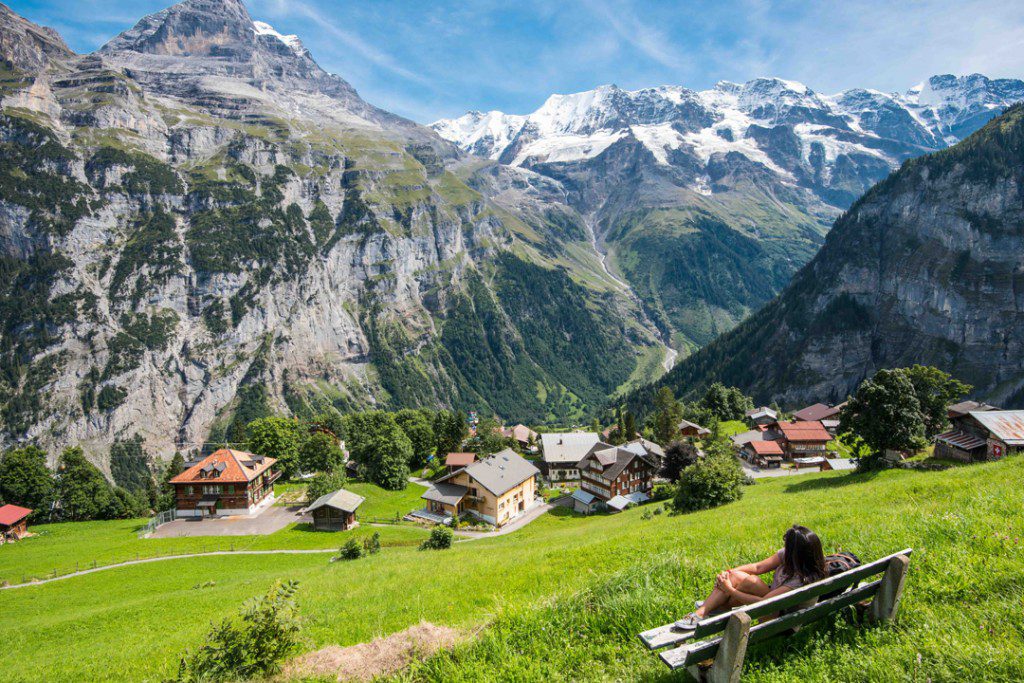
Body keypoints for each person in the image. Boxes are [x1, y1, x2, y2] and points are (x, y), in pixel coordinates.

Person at [675, 525, 827, 630]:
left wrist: (729, 590)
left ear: (795, 553)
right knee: (743, 578)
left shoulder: (800, 580)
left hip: (782, 620)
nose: (784, 548)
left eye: (787, 546)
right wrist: (728, 573)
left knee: (742, 584)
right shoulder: (800, 560)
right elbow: (758, 568)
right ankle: (708, 609)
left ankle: (714, 607)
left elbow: (764, 603)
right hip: (775, 604)